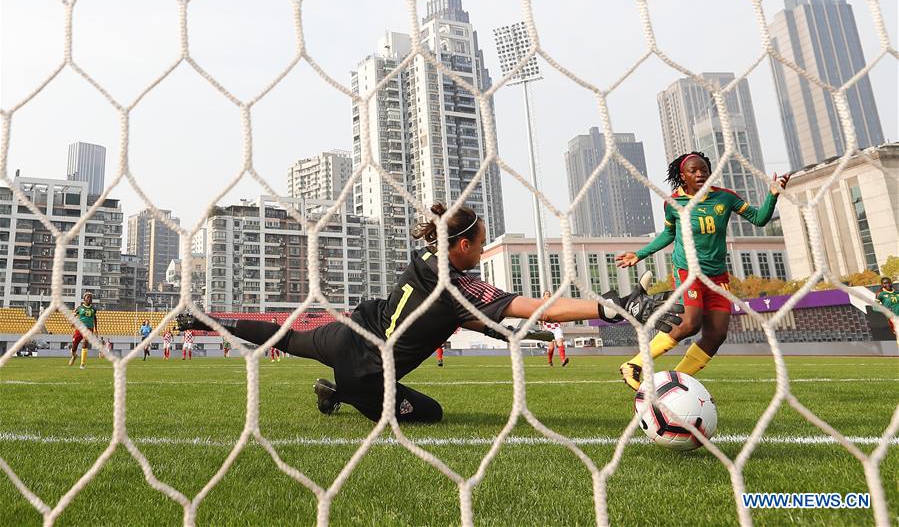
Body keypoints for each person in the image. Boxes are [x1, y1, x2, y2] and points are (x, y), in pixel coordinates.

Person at [177, 203, 682, 423]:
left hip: (349, 331)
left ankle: (202, 318)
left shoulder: (425, 260)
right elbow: (536, 305)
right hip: (369, 372)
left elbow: (458, 315)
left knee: (284, 336)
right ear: (461, 247)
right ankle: (339, 394)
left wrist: (505, 333)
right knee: (430, 414)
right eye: (479, 244)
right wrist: (615, 307)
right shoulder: (458, 285)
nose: (481, 251)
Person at [615, 151, 789, 390]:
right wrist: (640, 254)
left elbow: (759, 219)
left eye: (704, 170)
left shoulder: (725, 198)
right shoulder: (673, 203)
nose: (700, 174)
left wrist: (772, 194)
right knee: (690, 323)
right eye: (693, 171)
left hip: (717, 275)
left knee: (716, 334)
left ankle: (673, 384)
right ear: (682, 176)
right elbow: (669, 233)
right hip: (689, 272)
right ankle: (634, 364)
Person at [69, 292, 99, 369]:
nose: (90, 299)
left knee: (85, 343)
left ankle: (82, 364)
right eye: (88, 297)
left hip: (89, 328)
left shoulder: (93, 309)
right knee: (74, 346)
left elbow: (94, 318)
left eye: (91, 298)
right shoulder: (79, 308)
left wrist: (96, 329)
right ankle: (74, 356)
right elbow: (73, 315)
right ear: (84, 299)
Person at [540, 291, 568, 367]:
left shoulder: (554, 305)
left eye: (549, 294)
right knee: (551, 347)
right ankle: (550, 361)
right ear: (544, 297)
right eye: (546, 294)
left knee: (560, 343)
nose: (548, 295)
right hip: (548, 328)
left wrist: (562, 321)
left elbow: (558, 315)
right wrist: (541, 324)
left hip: (557, 327)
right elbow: (539, 317)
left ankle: (563, 360)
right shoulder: (541, 306)